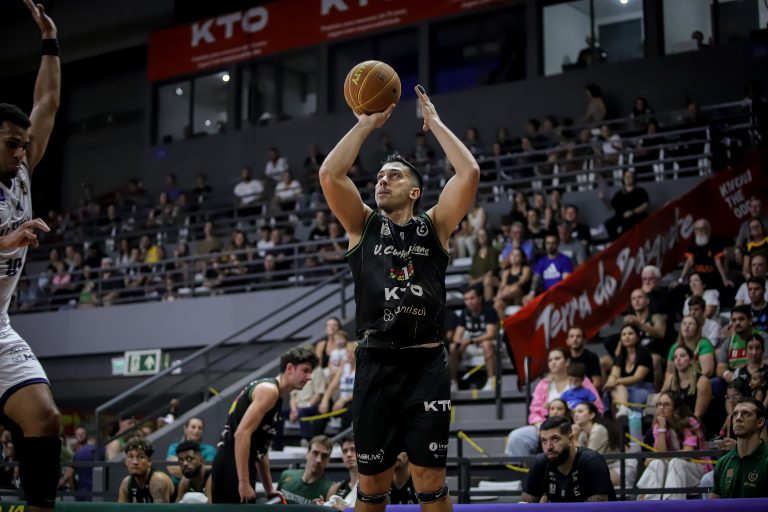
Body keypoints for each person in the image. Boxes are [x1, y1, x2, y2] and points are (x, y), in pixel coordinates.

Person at [318, 84, 479, 511]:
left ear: (414, 192)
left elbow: (468, 173)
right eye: (380, 176)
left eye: (395, 176)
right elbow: (330, 175)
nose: (383, 180)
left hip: (426, 366)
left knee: (431, 480)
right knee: (372, 485)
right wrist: (365, 124)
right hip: (376, 364)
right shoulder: (362, 225)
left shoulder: (435, 225)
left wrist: (436, 124)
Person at [0, 3, 62, 510]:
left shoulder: (20, 172)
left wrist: (49, 42)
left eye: (24, 145)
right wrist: (6, 241)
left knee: (44, 417)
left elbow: (46, 101)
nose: (22, 153)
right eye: (11, 145)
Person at [211, 346, 317, 503]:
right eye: (305, 370)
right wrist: (243, 482)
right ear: (289, 368)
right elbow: (241, 434)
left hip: (238, 465)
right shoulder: (269, 391)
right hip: (231, 465)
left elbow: (262, 450)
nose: (309, 377)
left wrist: (269, 489)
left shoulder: (276, 396)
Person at [636, 390, 711, 500]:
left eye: (666, 404)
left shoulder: (689, 421)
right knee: (657, 463)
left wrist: (660, 457)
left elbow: (687, 454)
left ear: (676, 408)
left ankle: (671, 504)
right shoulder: (659, 425)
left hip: (697, 468)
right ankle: (651, 503)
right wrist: (662, 428)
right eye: (659, 404)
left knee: (676, 462)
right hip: (674, 468)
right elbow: (660, 455)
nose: (661, 408)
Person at [522, 416, 615, 502]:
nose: (549, 447)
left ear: (570, 440)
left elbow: (599, 508)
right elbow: (527, 503)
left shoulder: (591, 461)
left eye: (555, 439)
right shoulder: (541, 462)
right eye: (544, 441)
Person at [709, 398, 768, 498]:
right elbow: (713, 504)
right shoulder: (722, 463)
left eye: (746, 413)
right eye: (735, 414)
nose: (738, 418)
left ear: (760, 422)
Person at [450, 285, 498, 391]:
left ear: (480, 298)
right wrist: (461, 343)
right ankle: (453, 382)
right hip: (471, 346)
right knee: (453, 347)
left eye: (472, 298)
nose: (469, 302)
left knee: (486, 344)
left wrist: (470, 341)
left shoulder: (489, 311)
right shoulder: (464, 313)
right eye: (466, 299)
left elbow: (491, 334)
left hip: (489, 346)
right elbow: (457, 337)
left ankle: (492, 380)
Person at [604, 324, 655, 418]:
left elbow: (637, 378)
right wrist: (611, 380)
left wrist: (616, 381)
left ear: (637, 337)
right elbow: (615, 373)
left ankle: (624, 411)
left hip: (642, 387)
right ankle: (624, 409)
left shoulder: (644, 353)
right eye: (623, 334)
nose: (626, 336)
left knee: (617, 387)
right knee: (614, 388)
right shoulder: (621, 354)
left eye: (630, 334)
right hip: (625, 388)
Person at [276, 435, 334, 505]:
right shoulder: (286, 475)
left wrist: (324, 508)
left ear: (328, 460)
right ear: (307, 454)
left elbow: (344, 509)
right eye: (315, 453)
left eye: (324, 456)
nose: (318, 460)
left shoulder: (331, 489)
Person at [117, 438, 174, 503]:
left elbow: (161, 509)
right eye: (131, 456)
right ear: (125, 461)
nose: (135, 462)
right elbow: (121, 508)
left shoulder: (158, 481)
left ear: (149, 461)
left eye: (141, 457)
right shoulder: (126, 484)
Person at [165, 417, 217, 486]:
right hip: (176, 486)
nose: (196, 430)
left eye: (200, 428)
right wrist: (197, 471)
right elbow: (173, 468)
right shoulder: (174, 447)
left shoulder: (210, 449)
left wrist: (186, 470)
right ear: (185, 429)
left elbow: (209, 470)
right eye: (193, 427)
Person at [600, 169, 649, 241]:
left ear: (634, 178)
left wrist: (633, 212)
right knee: (608, 225)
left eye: (630, 177)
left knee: (626, 228)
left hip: (635, 217)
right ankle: (617, 242)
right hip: (621, 217)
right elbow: (611, 207)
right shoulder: (619, 194)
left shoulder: (640, 191)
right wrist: (604, 199)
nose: (628, 178)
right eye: (626, 177)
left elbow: (645, 204)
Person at [327, 434, 359, 500]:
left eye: (353, 449)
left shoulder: (374, 485)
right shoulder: (335, 488)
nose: (348, 454)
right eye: (345, 451)